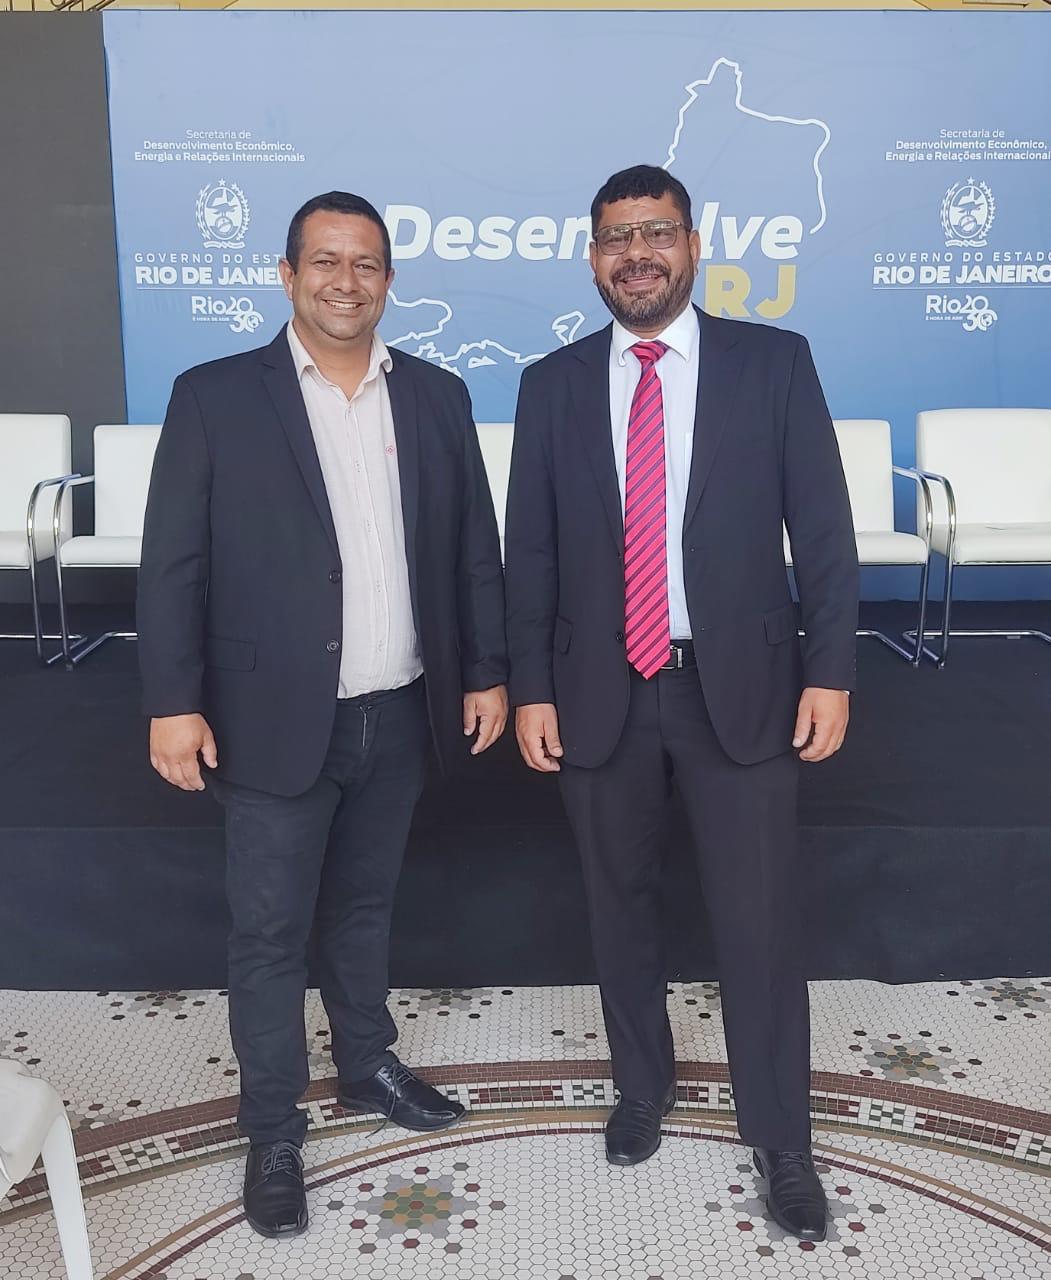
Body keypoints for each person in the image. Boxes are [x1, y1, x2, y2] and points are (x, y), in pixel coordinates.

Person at [138, 191, 508, 1239]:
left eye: (366, 263)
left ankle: (365, 1062)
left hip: (401, 708)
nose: (347, 281)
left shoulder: (435, 395)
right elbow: (172, 564)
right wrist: (172, 702)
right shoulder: (214, 395)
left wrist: (485, 671)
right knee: (268, 933)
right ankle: (272, 1129)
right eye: (326, 261)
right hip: (269, 717)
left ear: (388, 279)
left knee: (362, 907)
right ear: (287, 273)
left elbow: (471, 548)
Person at [504, 165, 857, 1242]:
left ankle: (781, 1138)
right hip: (598, 689)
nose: (637, 254)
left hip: (740, 687)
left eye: (655, 232)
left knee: (759, 922)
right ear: (592, 258)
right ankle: (640, 1087)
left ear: (693, 245)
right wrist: (531, 687)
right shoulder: (552, 383)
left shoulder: (773, 364)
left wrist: (831, 671)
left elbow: (824, 533)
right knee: (618, 905)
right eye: (616, 238)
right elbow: (530, 553)